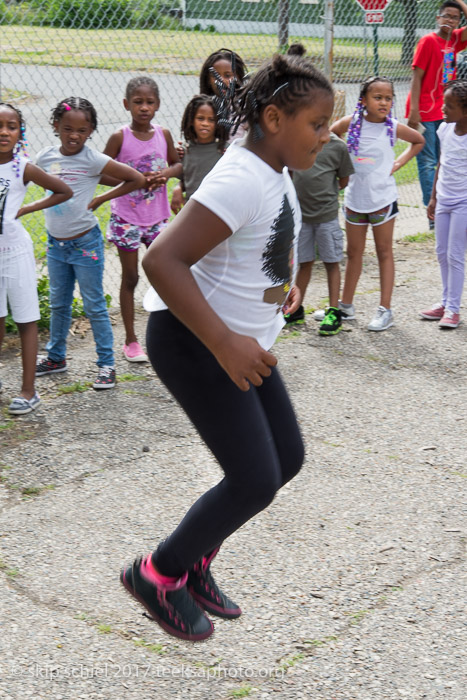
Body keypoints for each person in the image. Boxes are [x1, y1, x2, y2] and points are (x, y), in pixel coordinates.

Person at [120, 54, 334, 641]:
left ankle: (194, 563)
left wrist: (279, 291)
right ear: (272, 118)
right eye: (316, 124)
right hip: (196, 342)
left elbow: (258, 244)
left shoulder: (274, 165)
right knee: (253, 478)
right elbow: (162, 259)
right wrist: (223, 342)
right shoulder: (241, 176)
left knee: (284, 459)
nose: (325, 134)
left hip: (240, 341)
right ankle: (159, 573)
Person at [35, 97, 145, 388]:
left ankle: (106, 364)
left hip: (85, 244)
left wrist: (101, 198)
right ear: (56, 126)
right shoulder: (45, 157)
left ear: (91, 130)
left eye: (82, 131)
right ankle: (56, 357)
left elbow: (136, 179)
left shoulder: (93, 159)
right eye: (68, 128)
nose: (74, 135)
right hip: (55, 245)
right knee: (59, 304)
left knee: (95, 306)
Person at [331, 77, 424, 332]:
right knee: (353, 253)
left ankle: (385, 310)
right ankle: (346, 306)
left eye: (388, 98)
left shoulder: (393, 127)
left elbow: (418, 141)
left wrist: (399, 163)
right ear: (363, 101)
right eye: (378, 97)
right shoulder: (351, 123)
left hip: (382, 201)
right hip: (354, 201)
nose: (384, 102)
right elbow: (332, 133)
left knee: (384, 252)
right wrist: (341, 159)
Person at [0, 103, 72, 414]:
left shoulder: (22, 168)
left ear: (20, 133)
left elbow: (63, 190)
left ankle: (29, 391)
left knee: (26, 319)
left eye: (11, 126)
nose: (4, 132)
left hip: (15, 253)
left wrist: (27, 209)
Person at [103, 77, 182, 363]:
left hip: (157, 217)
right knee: (131, 277)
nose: (144, 107)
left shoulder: (164, 134)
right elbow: (99, 172)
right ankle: (131, 340)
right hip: (127, 218)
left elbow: (177, 164)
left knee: (166, 274)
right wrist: (131, 181)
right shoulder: (119, 137)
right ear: (127, 104)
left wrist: (166, 175)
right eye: (138, 102)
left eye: (149, 102)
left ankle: (172, 334)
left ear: (158, 105)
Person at [287, 133, 354, 335]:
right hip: (302, 217)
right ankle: (296, 308)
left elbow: (344, 180)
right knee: (304, 262)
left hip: (326, 216)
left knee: (331, 262)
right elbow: (289, 174)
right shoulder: (296, 141)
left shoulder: (337, 147)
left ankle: (333, 311)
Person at [406, 0, 467, 221]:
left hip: (445, 112)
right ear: (437, 18)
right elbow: (416, 77)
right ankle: (432, 214)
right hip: (424, 111)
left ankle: (442, 206)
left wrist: (461, 3)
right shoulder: (427, 42)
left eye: (455, 17)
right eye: (446, 16)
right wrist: (414, 111)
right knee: (427, 161)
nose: (450, 20)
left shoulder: (454, 41)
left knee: (445, 159)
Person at [419, 80, 467, 328]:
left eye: (449, 105)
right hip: (444, 200)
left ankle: (453, 310)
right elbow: (441, 163)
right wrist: (434, 197)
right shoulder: (444, 131)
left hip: (463, 203)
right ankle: (445, 302)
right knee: (441, 253)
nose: (443, 109)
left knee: (455, 254)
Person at [170, 95, 226, 214]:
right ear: (191, 121)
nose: (205, 123)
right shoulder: (185, 150)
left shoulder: (224, 151)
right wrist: (178, 188)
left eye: (211, 120)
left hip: (219, 211)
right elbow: (187, 179)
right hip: (192, 212)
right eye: (200, 118)